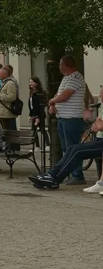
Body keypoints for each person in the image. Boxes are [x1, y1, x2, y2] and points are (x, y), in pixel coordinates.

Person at [30, 115, 103, 190]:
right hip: (99, 139)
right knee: (71, 148)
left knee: (77, 151)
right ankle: (51, 174)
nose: (101, 102)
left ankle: (55, 180)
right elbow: (95, 125)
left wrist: (98, 123)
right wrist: (98, 123)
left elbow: (100, 126)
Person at [49, 56, 87, 185]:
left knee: (73, 147)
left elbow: (65, 96)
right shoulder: (66, 78)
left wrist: (51, 101)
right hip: (63, 118)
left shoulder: (76, 77)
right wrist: (53, 104)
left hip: (72, 118)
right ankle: (68, 172)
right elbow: (59, 94)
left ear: (64, 65)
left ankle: (77, 175)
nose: (59, 67)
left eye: (60, 65)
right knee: (66, 148)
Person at [0, 64, 20, 130]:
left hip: (7, 114)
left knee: (10, 133)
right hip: (2, 114)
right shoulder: (4, 82)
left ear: (5, 74)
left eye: (0, 73)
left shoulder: (10, 83)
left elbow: (12, 97)